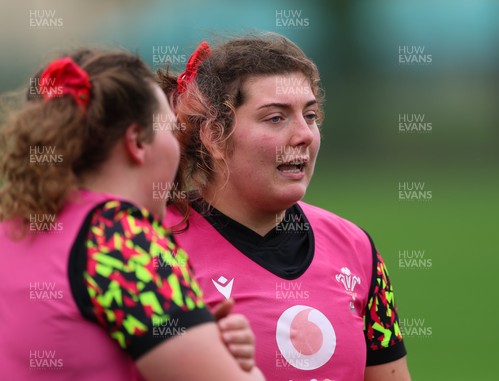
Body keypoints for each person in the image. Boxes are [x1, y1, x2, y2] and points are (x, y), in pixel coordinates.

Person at [160, 34, 412, 381]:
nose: (304, 134)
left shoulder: (357, 250)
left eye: (309, 115)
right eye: (276, 118)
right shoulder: (152, 248)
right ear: (215, 136)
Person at [0, 50, 264, 380]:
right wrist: (242, 367)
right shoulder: (121, 241)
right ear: (137, 141)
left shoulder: (14, 227)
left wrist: (198, 338)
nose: (178, 147)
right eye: (170, 129)